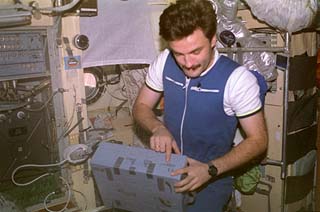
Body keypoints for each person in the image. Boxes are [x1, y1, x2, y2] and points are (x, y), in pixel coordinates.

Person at [132, 0, 268, 211]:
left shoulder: (238, 80)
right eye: (179, 53)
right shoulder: (164, 61)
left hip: (211, 178)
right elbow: (141, 105)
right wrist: (157, 127)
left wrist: (210, 169)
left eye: (196, 51)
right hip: (168, 170)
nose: (187, 63)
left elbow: (258, 140)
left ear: (213, 39)